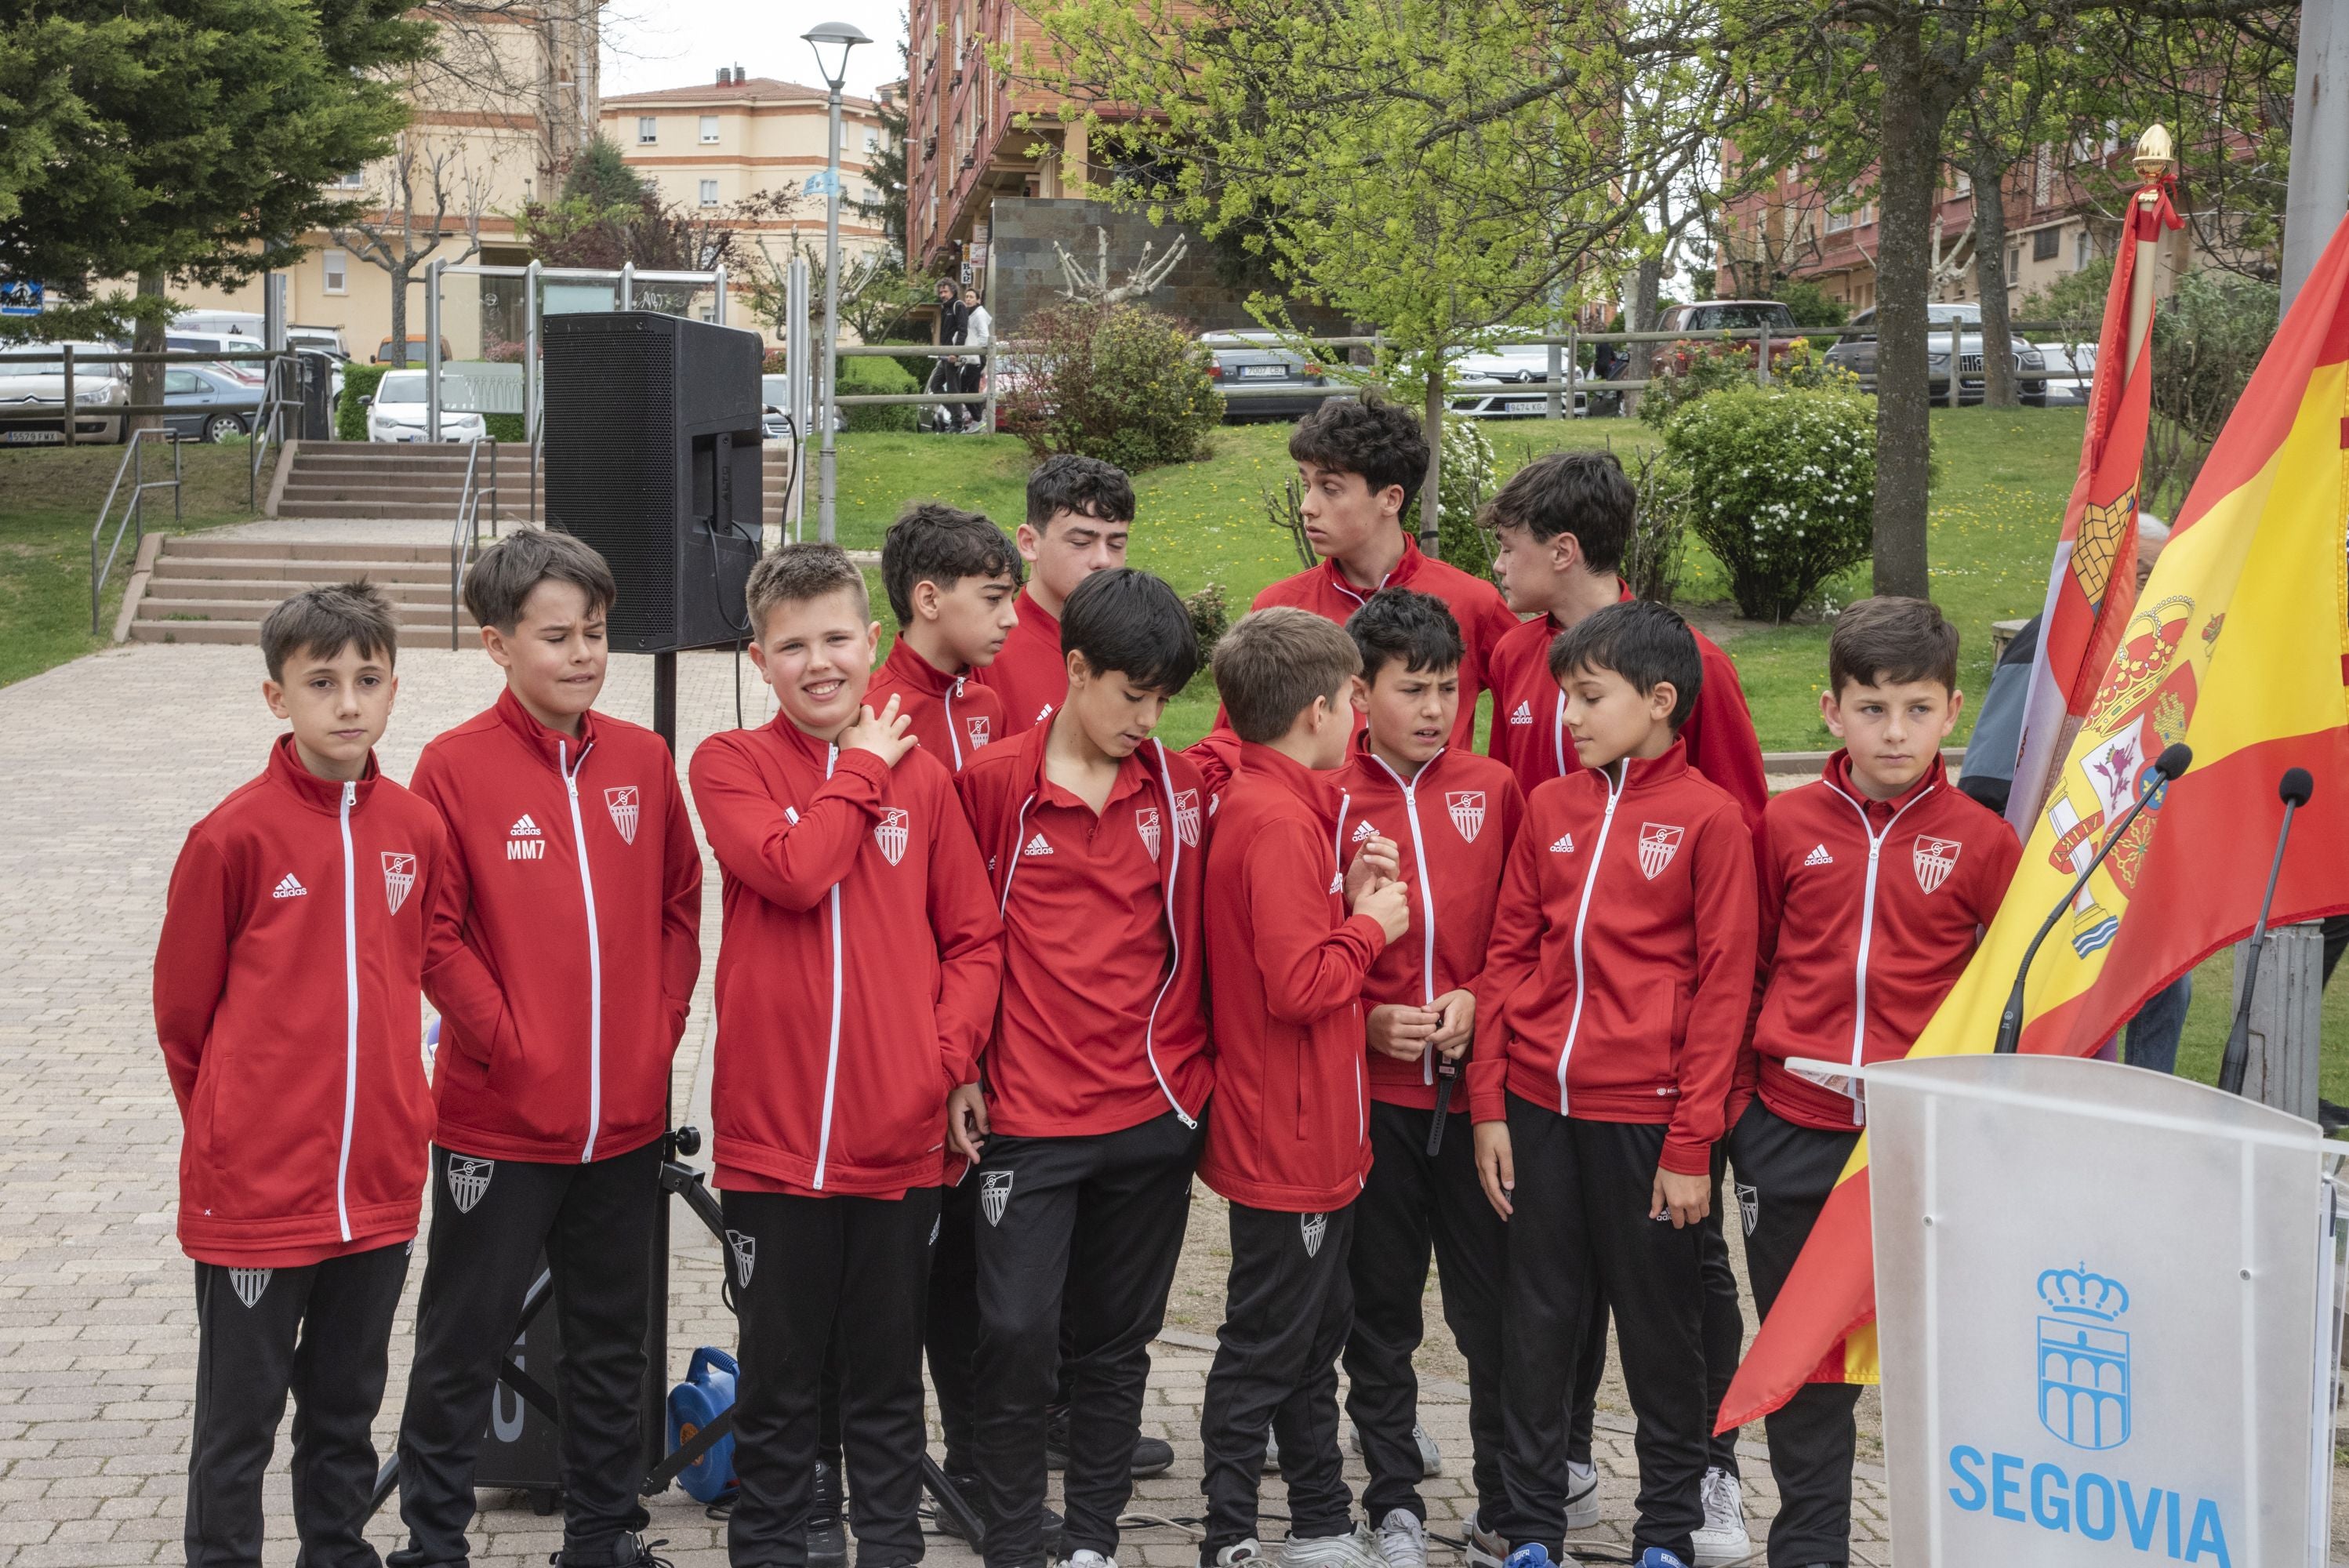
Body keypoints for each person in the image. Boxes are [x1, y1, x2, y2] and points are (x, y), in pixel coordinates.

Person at [688, 543, 1004, 1568]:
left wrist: (941, 1059)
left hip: (895, 1145)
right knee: (779, 1391)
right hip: (773, 1151)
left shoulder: (929, 783)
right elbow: (794, 869)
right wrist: (865, 767)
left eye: (836, 639)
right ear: (758, 657)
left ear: (871, 643)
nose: (818, 663)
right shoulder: (729, 765)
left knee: (882, 1391)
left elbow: (973, 938)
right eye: (793, 646)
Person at [392, 534, 704, 1568]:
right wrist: (510, 1043)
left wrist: (655, 1033)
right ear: (497, 643)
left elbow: (677, 904)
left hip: (621, 1124)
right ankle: (434, 1543)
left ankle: (604, 1536)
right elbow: (433, 934)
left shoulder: (643, 760)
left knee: (612, 1345)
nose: (584, 654)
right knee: (461, 1341)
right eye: (558, 636)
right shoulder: (451, 768)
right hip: (499, 1125)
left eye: (598, 633)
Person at [1479, 449, 1763, 1559]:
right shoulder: (1549, 805)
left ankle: (1668, 1528)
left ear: (1658, 701)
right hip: (1542, 1112)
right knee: (1539, 1323)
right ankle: (1531, 1526)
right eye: (1563, 698)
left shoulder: (1708, 821)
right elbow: (1509, 961)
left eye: (1588, 700)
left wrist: (1692, 1142)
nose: (1569, 718)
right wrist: (1496, 1107)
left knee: (1662, 1332)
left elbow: (1724, 985)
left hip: (1650, 1123)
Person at [154, 582, 463, 1568]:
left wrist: (397, 1111)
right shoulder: (231, 836)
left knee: (344, 1410)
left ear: (392, 689)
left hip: (375, 1185)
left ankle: (338, 1552)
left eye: (367, 680)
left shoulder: (416, 830)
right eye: (320, 681)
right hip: (257, 1193)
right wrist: (231, 1122)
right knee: (237, 1425)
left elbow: (413, 971)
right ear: (275, 696)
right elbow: (183, 1017)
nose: (346, 703)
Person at [1729, 597, 2017, 1568]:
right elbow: (1746, 967)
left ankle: (1956, 1541)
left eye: (1916, 709)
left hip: (1918, 1145)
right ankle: (1809, 1548)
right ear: (1828, 708)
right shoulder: (1781, 823)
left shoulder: (1982, 841)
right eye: (1871, 708)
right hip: (1791, 1129)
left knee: (1944, 1357)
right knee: (1808, 1360)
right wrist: (1740, 1115)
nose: (1893, 732)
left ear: (1953, 709)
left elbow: (2011, 996)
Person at [957, 568, 1216, 1568]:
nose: (1147, 719)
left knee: (1114, 1350)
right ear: (1073, 669)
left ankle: (1095, 1542)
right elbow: (952, 937)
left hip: (1152, 1114)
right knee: (1017, 1335)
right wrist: (958, 1066)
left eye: (1163, 699)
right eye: (1130, 693)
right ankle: (1016, 1537)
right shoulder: (991, 789)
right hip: (1028, 1117)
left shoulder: (1184, 787)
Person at [1195, 607, 1414, 1568]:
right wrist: (1372, 924)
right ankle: (1230, 1532)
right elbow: (1300, 986)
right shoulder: (1276, 816)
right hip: (1288, 1137)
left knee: (1309, 1333)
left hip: (1307, 1129)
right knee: (1267, 1343)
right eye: (1354, 698)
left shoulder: (1277, 805)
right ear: (1321, 708)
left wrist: (1341, 883)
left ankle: (1322, 1517)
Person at [1334, 590, 1525, 1568]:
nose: (1432, 708)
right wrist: (1366, 1016)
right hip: (1372, 1102)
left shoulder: (1490, 785)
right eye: (1410, 688)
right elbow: (1296, 952)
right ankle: (1394, 1498)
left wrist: (1478, 998)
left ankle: (1504, 1501)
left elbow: (1521, 930)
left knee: (1488, 1310)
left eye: (1447, 688)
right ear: (1357, 693)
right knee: (1380, 1311)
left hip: (1474, 1097)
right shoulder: (1328, 796)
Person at [1239, 396, 1519, 753]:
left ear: (1390, 499)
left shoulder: (1472, 601)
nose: (1307, 507)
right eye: (1307, 485)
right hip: (1313, 811)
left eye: (1330, 488)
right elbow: (1235, 743)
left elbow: (1538, 709)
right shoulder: (1279, 609)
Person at [975, 455, 1135, 736]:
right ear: (1029, 543)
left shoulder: (1131, 644)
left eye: (1116, 544)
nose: (1103, 560)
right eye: (1081, 543)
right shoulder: (987, 653)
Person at [870, 501, 1020, 772]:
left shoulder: (988, 706)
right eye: (994, 598)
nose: (1012, 619)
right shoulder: (869, 713)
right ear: (929, 600)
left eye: (1011, 599)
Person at [931, 278, 970, 433]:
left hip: (953, 355)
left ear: (953, 291)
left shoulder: (958, 305)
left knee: (953, 389)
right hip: (944, 355)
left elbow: (963, 331)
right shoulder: (945, 308)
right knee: (935, 385)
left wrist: (956, 352)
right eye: (940, 292)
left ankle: (957, 423)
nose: (942, 295)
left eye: (945, 291)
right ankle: (957, 414)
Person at [960, 286, 993, 433]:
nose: (968, 299)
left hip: (976, 357)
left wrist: (976, 350)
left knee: (963, 388)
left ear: (978, 300)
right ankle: (977, 422)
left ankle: (979, 418)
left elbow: (984, 336)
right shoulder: (971, 313)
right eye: (967, 297)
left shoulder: (979, 314)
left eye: (971, 297)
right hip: (972, 356)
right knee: (973, 390)